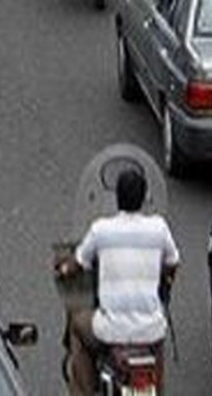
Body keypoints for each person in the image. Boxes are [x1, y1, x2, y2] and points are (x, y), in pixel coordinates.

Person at [57, 169, 180, 396]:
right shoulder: (159, 228)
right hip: (150, 331)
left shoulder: (101, 230)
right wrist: (164, 281)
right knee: (156, 350)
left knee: (77, 325)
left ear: (117, 198)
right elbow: (173, 262)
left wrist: (64, 269)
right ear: (144, 198)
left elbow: (78, 262)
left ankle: (83, 390)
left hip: (110, 330)